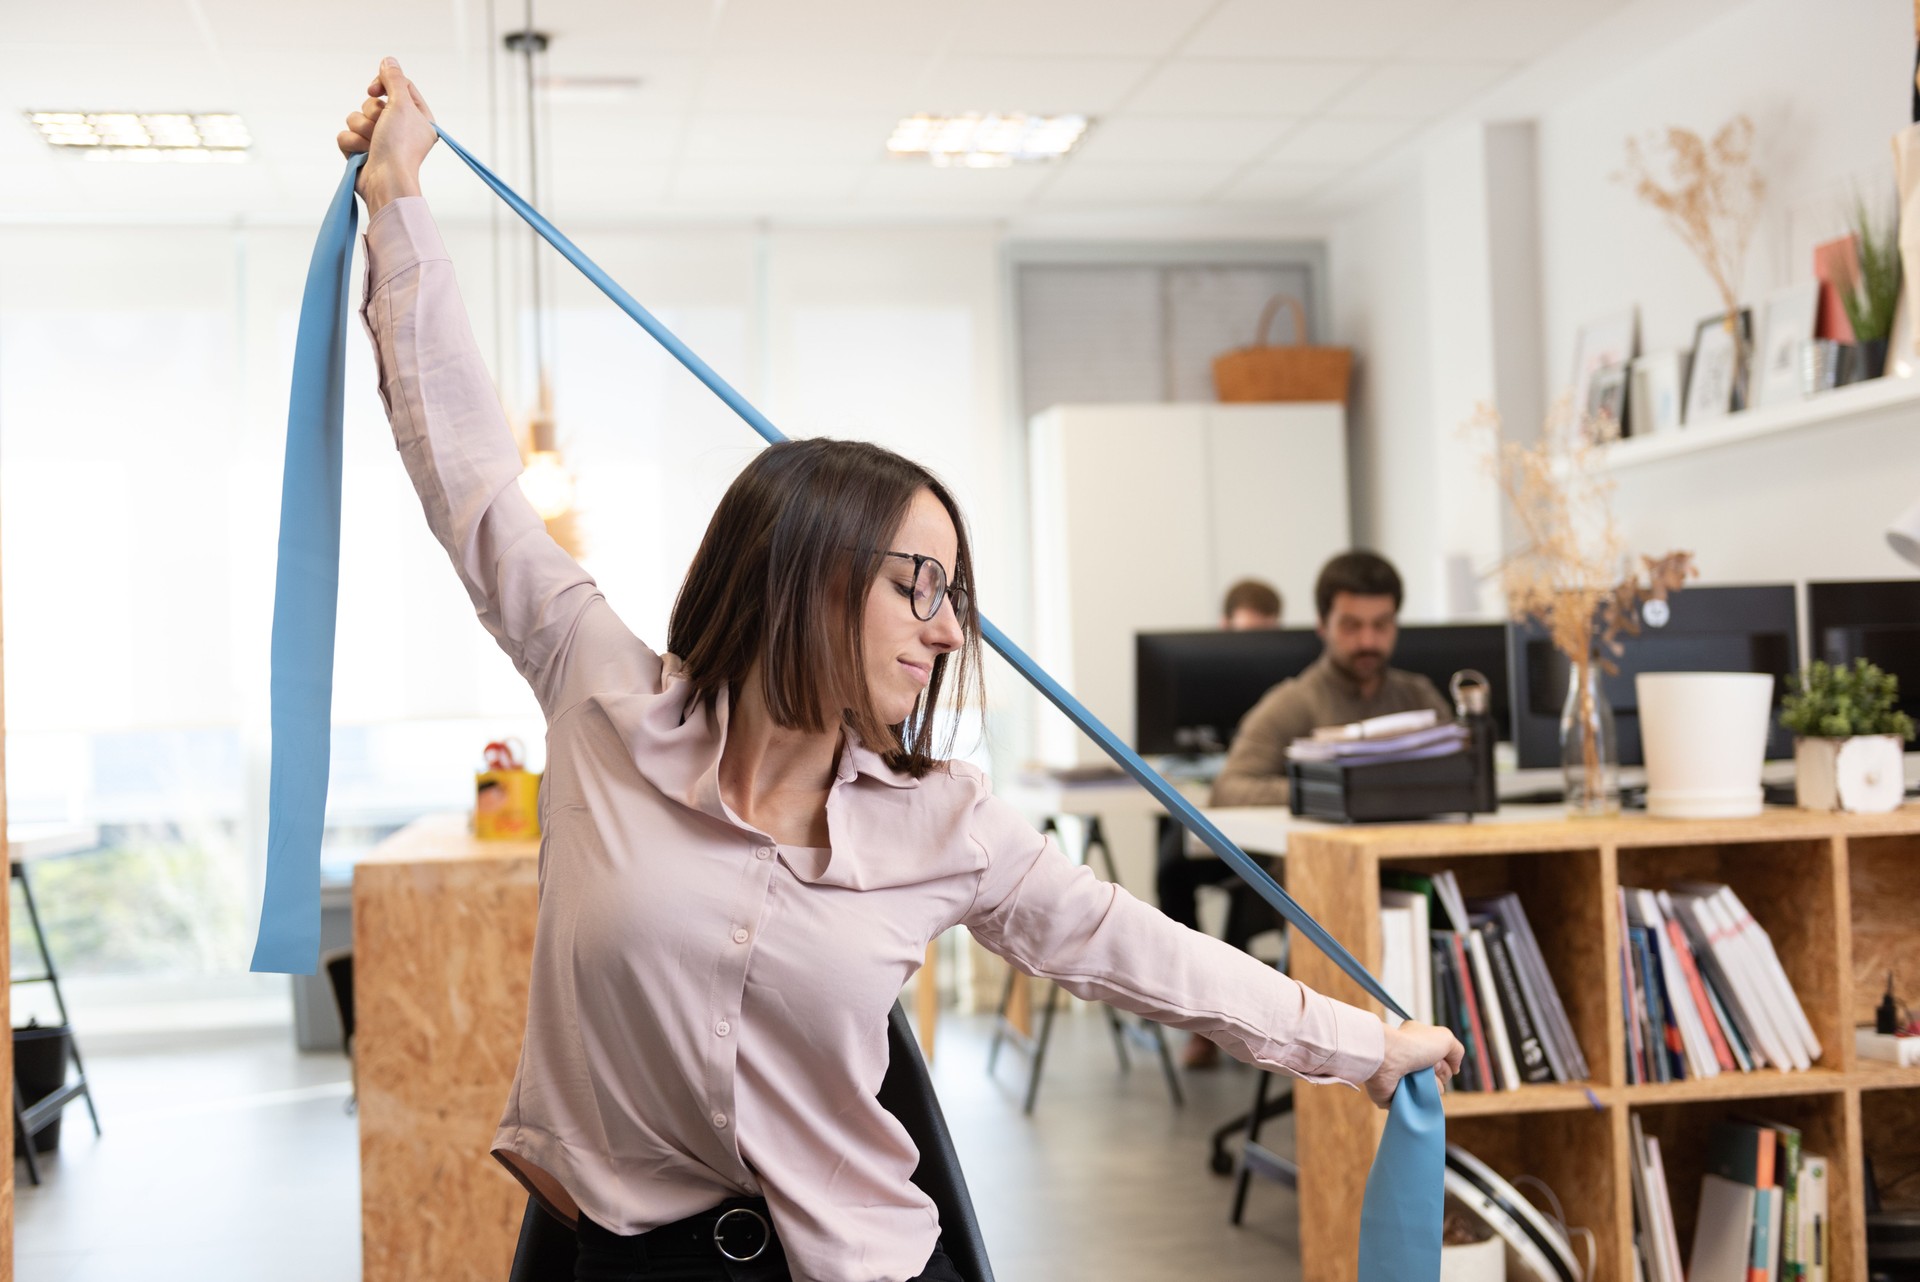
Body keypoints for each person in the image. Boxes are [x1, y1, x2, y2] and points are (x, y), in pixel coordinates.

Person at [339, 61, 1461, 1282]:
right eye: (915, 584)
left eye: (955, 595)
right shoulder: (603, 695)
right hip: (608, 1255)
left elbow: (1149, 955)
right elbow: (472, 482)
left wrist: (1365, 1046)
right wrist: (396, 197)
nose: (944, 630)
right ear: (804, 575)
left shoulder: (946, 822)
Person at [1211, 551, 1453, 808]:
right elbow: (1227, 791)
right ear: (1322, 625)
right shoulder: (1293, 702)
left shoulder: (1418, 696)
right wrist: (1334, 790)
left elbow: (1459, 774)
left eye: (1381, 625)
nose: (1367, 641)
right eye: (1351, 626)